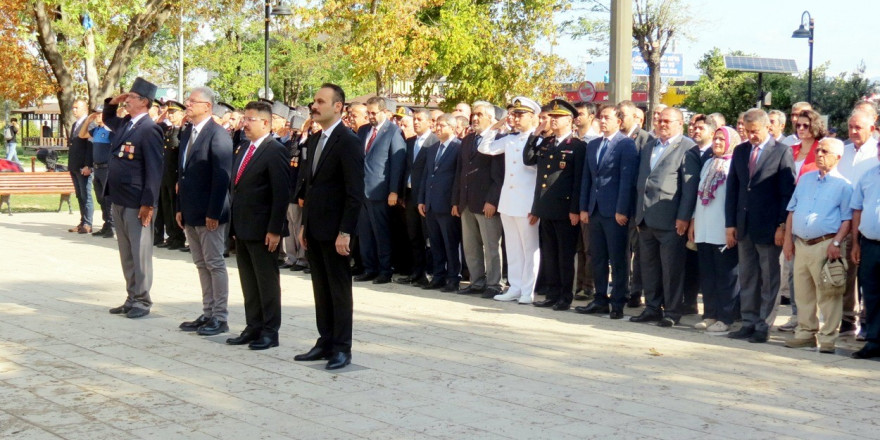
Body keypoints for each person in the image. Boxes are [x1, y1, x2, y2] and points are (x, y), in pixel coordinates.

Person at [294, 83, 365, 370]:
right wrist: (304, 225)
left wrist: (345, 231)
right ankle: (325, 340)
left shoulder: (348, 141)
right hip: (315, 228)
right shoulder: (314, 139)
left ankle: (341, 348)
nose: (314, 106)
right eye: (314, 101)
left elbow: (354, 191)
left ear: (338, 107)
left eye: (321, 101)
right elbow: (311, 188)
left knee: (338, 289)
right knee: (320, 289)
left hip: (336, 230)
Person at [725, 108, 796, 343]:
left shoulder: (782, 152)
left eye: (755, 131)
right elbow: (733, 189)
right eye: (747, 131)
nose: (751, 136)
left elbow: (787, 194)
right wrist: (730, 224)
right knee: (748, 277)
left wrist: (781, 225)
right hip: (744, 226)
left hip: (768, 227)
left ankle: (763, 324)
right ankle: (748, 321)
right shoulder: (740, 150)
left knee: (769, 278)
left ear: (768, 127)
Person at [225, 100, 290, 350]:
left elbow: (280, 193)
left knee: (266, 282)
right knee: (248, 281)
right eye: (244, 119)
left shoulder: (274, 150)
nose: (244, 124)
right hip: (242, 227)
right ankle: (253, 326)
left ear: (265, 122)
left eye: (250, 119)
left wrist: (274, 229)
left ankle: (270, 331)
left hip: (263, 229)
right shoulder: (243, 147)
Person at [101, 77, 165, 319]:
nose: (127, 101)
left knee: (140, 252)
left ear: (144, 102)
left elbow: (154, 169)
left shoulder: (150, 129)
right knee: (126, 252)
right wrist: (112, 102)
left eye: (131, 97)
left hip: (138, 202)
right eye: (127, 97)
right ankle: (131, 295)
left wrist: (148, 203)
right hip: (119, 197)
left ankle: (142, 299)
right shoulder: (128, 123)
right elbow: (107, 119)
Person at [630, 107, 699, 327]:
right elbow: (643, 180)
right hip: (646, 217)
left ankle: (672, 310)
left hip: (671, 220)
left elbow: (689, 187)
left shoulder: (688, 148)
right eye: (660, 120)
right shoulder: (650, 145)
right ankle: (652, 307)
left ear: (680, 123)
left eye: (667, 121)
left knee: (671, 269)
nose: (662, 124)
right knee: (648, 267)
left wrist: (684, 217)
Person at [782, 138, 852, 353]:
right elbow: (792, 211)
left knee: (829, 293)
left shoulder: (844, 186)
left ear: (837, 157)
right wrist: (788, 241)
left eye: (825, 151)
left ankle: (828, 337)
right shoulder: (806, 179)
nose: (819, 153)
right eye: (818, 150)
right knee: (803, 293)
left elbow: (847, 219)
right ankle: (805, 333)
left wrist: (837, 242)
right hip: (801, 244)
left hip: (826, 244)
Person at [176, 87, 234, 337]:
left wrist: (214, 211)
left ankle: (220, 316)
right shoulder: (189, 132)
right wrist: (180, 207)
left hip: (210, 212)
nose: (187, 105)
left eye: (193, 101)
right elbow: (183, 174)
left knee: (214, 263)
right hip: (191, 210)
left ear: (208, 107)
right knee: (201, 263)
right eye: (188, 101)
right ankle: (208, 311)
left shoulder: (217, 134)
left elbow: (221, 177)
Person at [576, 104, 638, 319]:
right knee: (598, 257)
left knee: (618, 258)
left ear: (619, 122)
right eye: (600, 118)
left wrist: (622, 209)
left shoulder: (626, 144)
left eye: (607, 118)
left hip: (614, 212)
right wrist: (583, 207)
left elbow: (627, 180)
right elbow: (587, 178)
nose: (602, 121)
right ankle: (600, 299)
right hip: (595, 210)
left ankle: (618, 302)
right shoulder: (593, 145)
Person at [478, 97, 541, 304]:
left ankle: (527, 290)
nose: (514, 118)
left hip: (527, 202)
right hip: (508, 201)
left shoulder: (538, 140)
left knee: (529, 248)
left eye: (520, 114)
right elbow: (485, 148)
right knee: (513, 247)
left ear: (532, 117)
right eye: (514, 114)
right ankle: (514, 286)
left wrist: (535, 206)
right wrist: (497, 126)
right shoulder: (511, 138)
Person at [525, 100, 584, 311]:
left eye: (558, 117)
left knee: (565, 255)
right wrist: (535, 134)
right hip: (546, 208)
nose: (553, 120)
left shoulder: (577, 146)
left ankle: (565, 296)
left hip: (565, 210)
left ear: (569, 120)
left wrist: (575, 209)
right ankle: (552, 293)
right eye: (553, 117)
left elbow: (578, 181)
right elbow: (528, 159)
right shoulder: (547, 143)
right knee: (549, 253)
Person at [778, 109, 827, 332]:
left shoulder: (822, 150)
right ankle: (797, 316)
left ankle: (816, 318)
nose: (800, 129)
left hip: (813, 216)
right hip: (791, 214)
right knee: (792, 268)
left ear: (815, 126)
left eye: (805, 125)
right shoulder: (791, 150)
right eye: (798, 125)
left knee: (814, 271)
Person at [690, 127, 741, 332]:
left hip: (723, 228)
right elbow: (699, 195)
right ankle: (710, 314)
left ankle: (726, 317)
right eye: (716, 138)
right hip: (704, 226)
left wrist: (732, 227)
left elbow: (734, 200)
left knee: (726, 275)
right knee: (708, 274)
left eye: (722, 139)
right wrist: (693, 222)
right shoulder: (709, 163)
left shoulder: (733, 165)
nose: (718, 142)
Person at [451, 101, 504, 297]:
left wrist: (492, 201)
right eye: (474, 114)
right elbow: (460, 171)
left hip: (486, 202)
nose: (474, 118)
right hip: (466, 202)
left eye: (479, 114)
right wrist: (456, 200)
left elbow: (499, 175)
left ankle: (494, 284)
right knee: (470, 245)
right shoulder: (467, 139)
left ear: (490, 118)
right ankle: (476, 281)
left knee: (491, 245)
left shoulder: (498, 138)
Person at [354, 96, 406, 284]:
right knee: (365, 234)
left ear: (384, 112)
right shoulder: (363, 130)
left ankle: (385, 270)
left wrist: (394, 191)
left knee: (381, 233)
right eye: (368, 113)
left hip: (380, 191)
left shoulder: (394, 132)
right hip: (362, 191)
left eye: (374, 113)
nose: (370, 116)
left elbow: (397, 163)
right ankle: (370, 268)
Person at [841, 110, 880, 339]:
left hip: (869, 234)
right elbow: (856, 206)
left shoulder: (871, 157)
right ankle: (855, 326)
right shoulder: (843, 153)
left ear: (872, 129)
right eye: (851, 127)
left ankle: (870, 329)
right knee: (856, 282)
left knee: (872, 289)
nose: (853, 132)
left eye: (859, 128)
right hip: (850, 229)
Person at [419, 114, 462, 292]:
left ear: (452, 128)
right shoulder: (432, 147)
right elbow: (426, 175)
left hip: (447, 203)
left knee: (450, 243)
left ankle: (453, 277)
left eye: (442, 125)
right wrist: (421, 199)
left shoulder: (458, 147)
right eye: (437, 125)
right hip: (430, 203)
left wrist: (455, 202)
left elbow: (458, 177)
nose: (437, 128)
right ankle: (438, 276)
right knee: (435, 242)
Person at [395, 109, 437, 287]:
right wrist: (402, 193)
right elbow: (406, 168)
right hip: (411, 195)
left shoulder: (434, 142)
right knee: (414, 236)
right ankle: (417, 272)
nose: (416, 122)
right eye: (415, 119)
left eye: (420, 119)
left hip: (426, 196)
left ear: (429, 123)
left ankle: (430, 273)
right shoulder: (410, 141)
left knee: (428, 237)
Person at [619, 101, 655, 308]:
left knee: (638, 253)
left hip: (636, 206)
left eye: (623, 114)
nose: (620, 118)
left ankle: (636, 291)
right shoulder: (615, 138)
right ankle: (622, 287)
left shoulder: (644, 139)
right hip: (617, 205)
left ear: (636, 117)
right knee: (621, 251)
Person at [850, 145, 880, 359]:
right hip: (869, 243)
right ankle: (874, 341)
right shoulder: (868, 176)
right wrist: (856, 243)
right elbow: (857, 209)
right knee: (871, 294)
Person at [155, 100, 187, 250]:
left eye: (174, 112)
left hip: (174, 175)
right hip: (165, 175)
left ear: (182, 113)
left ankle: (179, 238)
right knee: (167, 207)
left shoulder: (183, 132)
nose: (171, 115)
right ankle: (171, 236)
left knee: (175, 208)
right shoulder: (168, 130)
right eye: (169, 112)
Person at [79, 109, 114, 238]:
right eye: (97, 114)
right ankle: (106, 224)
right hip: (97, 168)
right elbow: (82, 135)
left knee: (108, 198)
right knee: (100, 198)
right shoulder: (97, 130)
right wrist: (88, 121)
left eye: (100, 114)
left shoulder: (110, 131)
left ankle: (112, 226)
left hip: (107, 168)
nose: (98, 116)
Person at [68, 99, 95, 234]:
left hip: (83, 167)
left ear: (84, 109)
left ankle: (88, 223)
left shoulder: (89, 124)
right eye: (73, 108)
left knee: (86, 195)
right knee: (79, 195)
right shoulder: (75, 124)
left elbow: (90, 146)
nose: (74, 110)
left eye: (76, 108)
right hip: (74, 165)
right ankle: (82, 221)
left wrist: (88, 165)